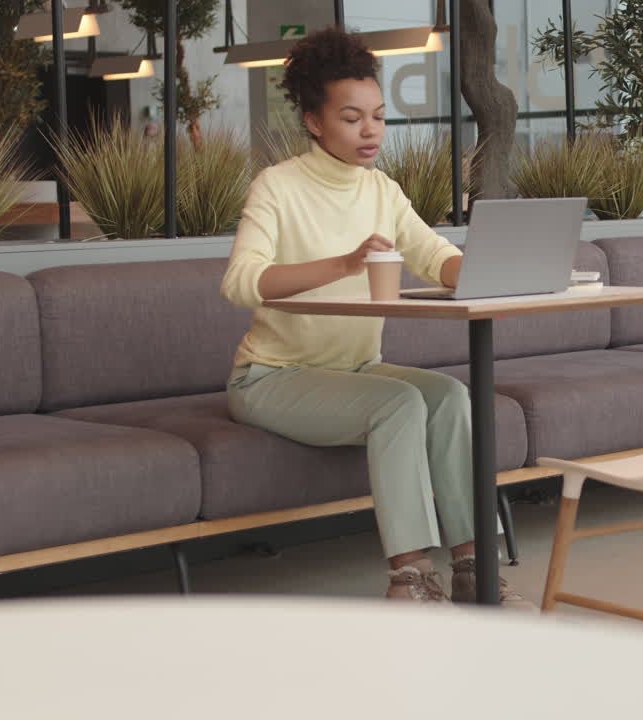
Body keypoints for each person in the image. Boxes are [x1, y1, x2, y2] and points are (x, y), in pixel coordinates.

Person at [221, 27, 526, 607]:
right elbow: (240, 281)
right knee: (400, 402)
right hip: (271, 378)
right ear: (314, 122)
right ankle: (409, 577)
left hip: (355, 368)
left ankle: (471, 565)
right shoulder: (277, 188)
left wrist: (498, 269)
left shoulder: (381, 189)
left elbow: (432, 253)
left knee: (450, 396)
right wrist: (342, 262)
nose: (370, 132)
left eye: (379, 117)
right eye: (351, 118)